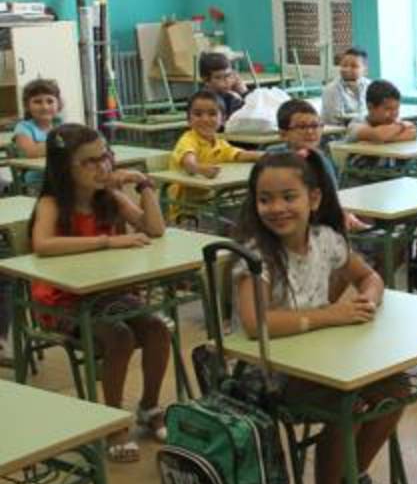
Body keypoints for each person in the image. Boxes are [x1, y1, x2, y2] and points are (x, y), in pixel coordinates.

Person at [233, 152, 407, 484]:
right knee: (348, 400)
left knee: (396, 386)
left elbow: (370, 277)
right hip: (268, 372)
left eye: (288, 196)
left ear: (314, 199)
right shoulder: (255, 253)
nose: (276, 207)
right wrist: (330, 315)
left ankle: (352, 475)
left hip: (321, 357)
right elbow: (256, 323)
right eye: (265, 199)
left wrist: (367, 302)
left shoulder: (325, 239)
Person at [29, 124, 170, 463]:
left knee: (157, 328)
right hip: (63, 302)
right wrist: (108, 241)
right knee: (118, 336)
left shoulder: (111, 199)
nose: (103, 167)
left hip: (107, 294)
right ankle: (113, 423)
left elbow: (154, 229)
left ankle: (149, 407)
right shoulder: (52, 204)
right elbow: (42, 244)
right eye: (89, 162)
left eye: (105, 157)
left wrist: (144, 184)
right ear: (65, 168)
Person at [272, 98, 369, 232]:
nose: (310, 131)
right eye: (302, 127)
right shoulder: (274, 162)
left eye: (315, 125)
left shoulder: (321, 158)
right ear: (283, 134)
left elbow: (333, 195)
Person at [168, 91, 263, 221]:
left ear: (223, 119)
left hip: (209, 202)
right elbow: (188, 162)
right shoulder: (187, 140)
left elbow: (239, 154)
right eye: (198, 114)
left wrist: (265, 156)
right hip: (185, 209)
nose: (205, 119)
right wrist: (201, 169)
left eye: (212, 114)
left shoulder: (219, 142)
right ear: (189, 120)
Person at [13, 78, 63, 190]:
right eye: (37, 102)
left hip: (60, 173)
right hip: (37, 178)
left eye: (50, 101)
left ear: (58, 104)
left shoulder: (60, 125)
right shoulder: (23, 127)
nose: (44, 107)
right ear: (27, 106)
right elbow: (31, 152)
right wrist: (59, 143)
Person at [345, 80, 417, 143]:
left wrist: (384, 139)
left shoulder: (391, 123)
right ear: (370, 107)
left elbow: (412, 132)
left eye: (397, 108)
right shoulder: (356, 125)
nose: (394, 113)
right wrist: (401, 125)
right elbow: (379, 135)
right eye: (388, 109)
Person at [320, 47, 372, 125]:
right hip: (337, 133)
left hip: (365, 127)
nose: (347, 69)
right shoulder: (331, 89)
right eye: (344, 65)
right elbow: (336, 119)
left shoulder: (370, 86)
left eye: (354, 66)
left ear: (365, 70)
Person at [199, 51, 247, 119]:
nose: (226, 81)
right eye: (218, 77)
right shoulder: (206, 101)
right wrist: (244, 93)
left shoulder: (229, 96)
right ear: (206, 80)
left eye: (228, 75)